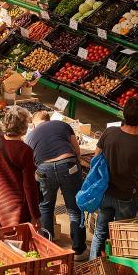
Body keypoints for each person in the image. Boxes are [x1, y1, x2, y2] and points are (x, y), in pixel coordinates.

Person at [90, 97, 138, 260]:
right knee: (121, 236)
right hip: (126, 197)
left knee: (100, 232)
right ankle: (118, 270)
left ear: (124, 114)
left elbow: (96, 156)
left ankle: (93, 265)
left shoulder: (110, 132)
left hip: (106, 191)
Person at [26, 111, 87, 260]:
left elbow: (30, 162)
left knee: (46, 207)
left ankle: (47, 249)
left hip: (44, 169)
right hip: (68, 165)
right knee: (74, 208)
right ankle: (79, 249)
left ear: (33, 124)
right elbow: (77, 151)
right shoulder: (63, 125)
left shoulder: (30, 136)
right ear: (49, 119)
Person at [0, 106, 41, 229]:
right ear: (23, 128)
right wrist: (35, 215)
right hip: (18, 209)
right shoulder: (25, 151)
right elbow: (29, 186)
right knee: (16, 243)